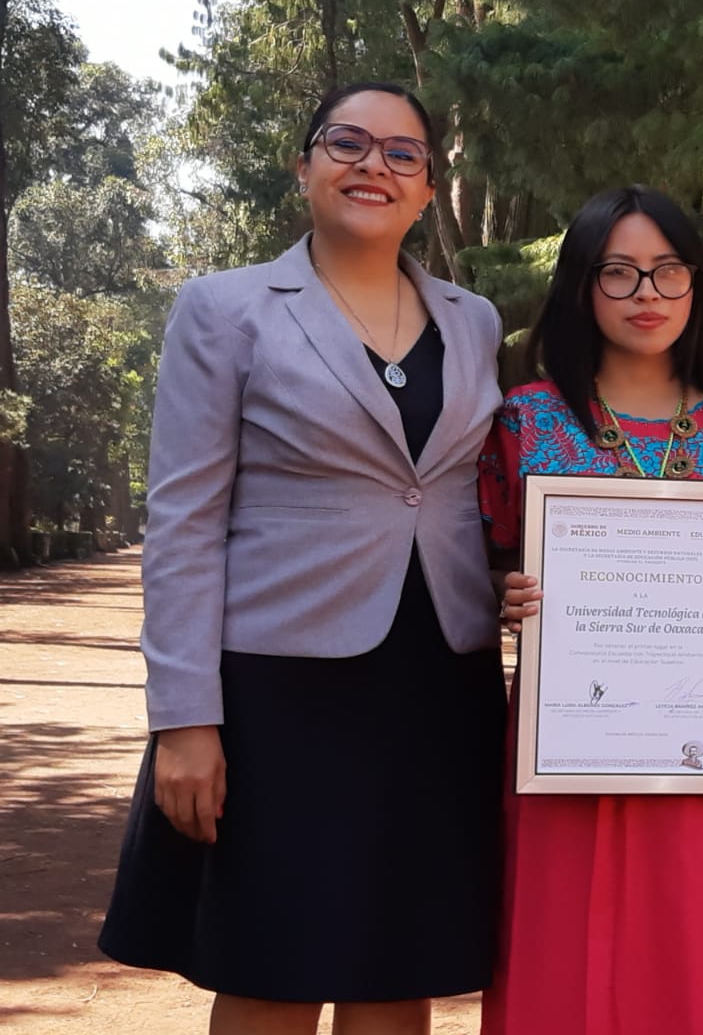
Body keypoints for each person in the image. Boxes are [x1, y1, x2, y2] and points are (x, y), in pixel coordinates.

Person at [98, 82, 508, 1035]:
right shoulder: (225, 309)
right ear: (306, 164)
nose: (374, 165)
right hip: (279, 690)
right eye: (348, 143)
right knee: (272, 968)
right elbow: (185, 522)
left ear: (428, 189)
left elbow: (455, 498)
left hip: (437, 681)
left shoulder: (473, 321)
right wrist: (185, 720)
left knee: (397, 964)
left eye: (402, 153)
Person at [476, 185, 703, 1035]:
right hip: (560, 753)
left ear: (698, 286)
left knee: (690, 964)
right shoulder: (522, 423)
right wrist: (505, 592)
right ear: (580, 288)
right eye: (620, 273)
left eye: (668, 271)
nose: (648, 294)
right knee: (555, 961)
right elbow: (484, 564)